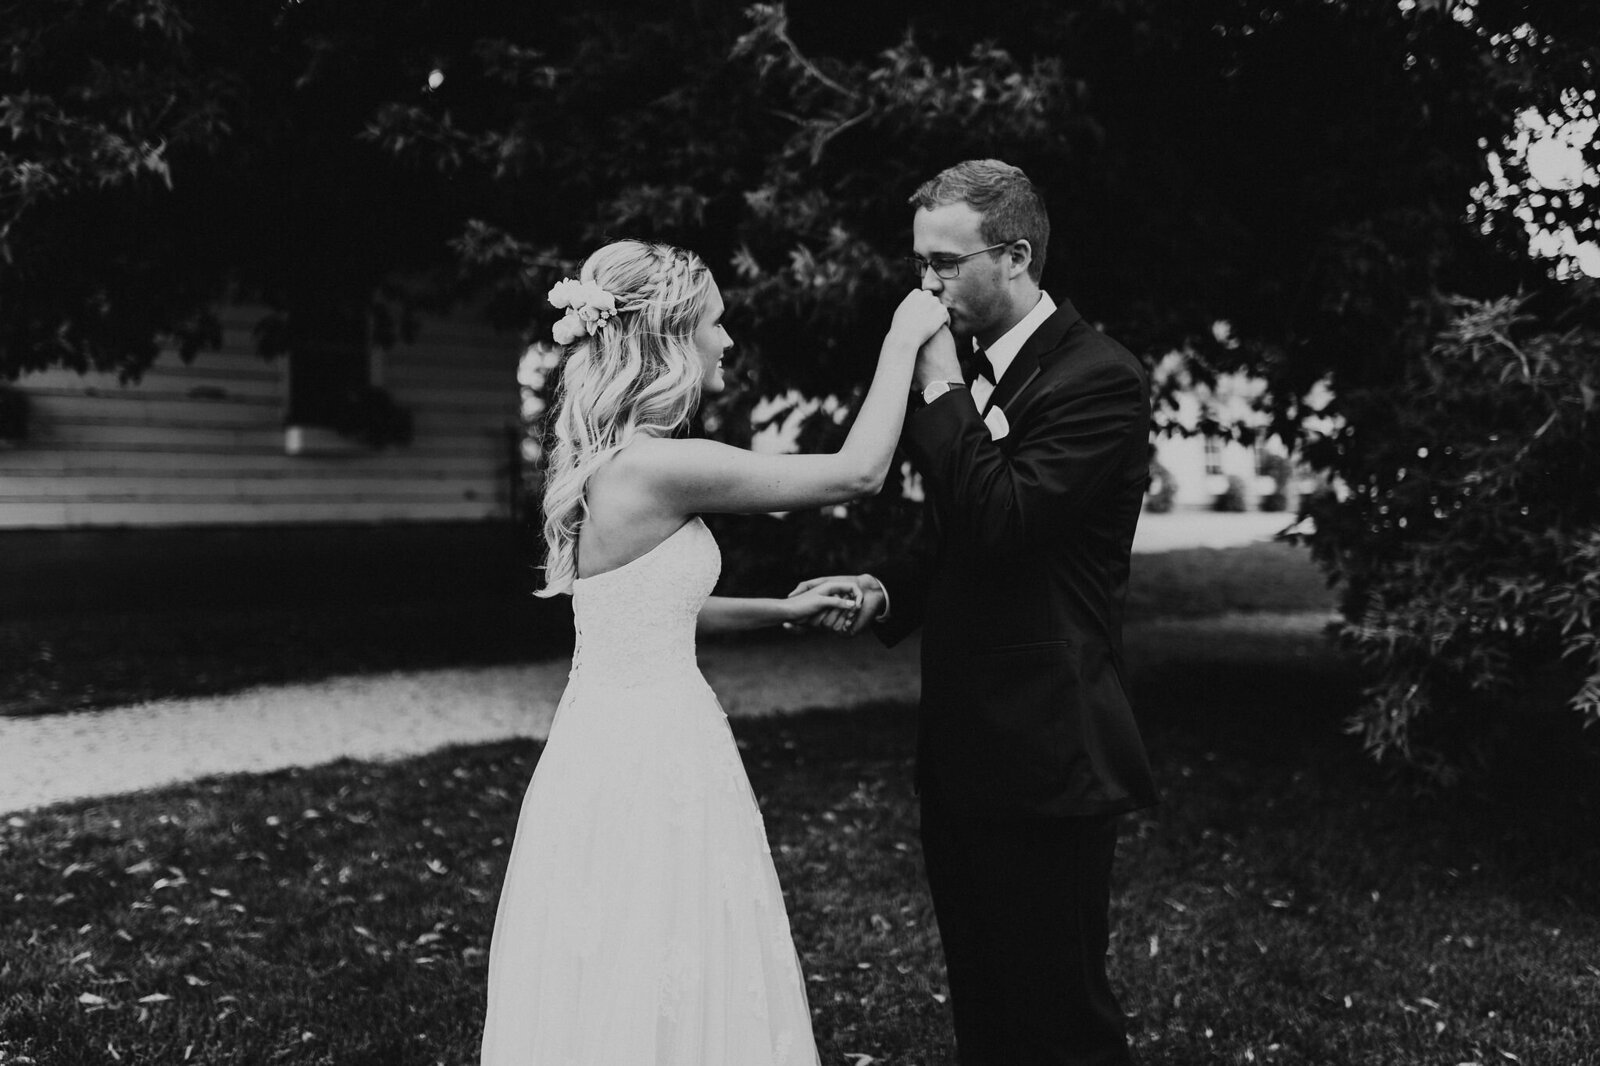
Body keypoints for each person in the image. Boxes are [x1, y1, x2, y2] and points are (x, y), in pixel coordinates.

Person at [479, 238, 949, 1065]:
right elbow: (854, 475)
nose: (728, 342)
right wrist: (903, 341)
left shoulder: (611, 464)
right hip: (654, 752)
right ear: (669, 339)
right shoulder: (665, 466)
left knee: (632, 950)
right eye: (715, 324)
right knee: (668, 938)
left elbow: (647, 612)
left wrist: (783, 610)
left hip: (609, 741)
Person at [793, 159, 1159, 1065]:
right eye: (921, 262)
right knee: (987, 1009)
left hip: (1048, 746)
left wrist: (938, 380)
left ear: (1016, 256)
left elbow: (1003, 520)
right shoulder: (975, 369)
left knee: (1060, 1014)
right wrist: (884, 591)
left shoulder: (1100, 378)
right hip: (962, 748)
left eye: (946, 264)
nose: (927, 284)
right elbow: (953, 537)